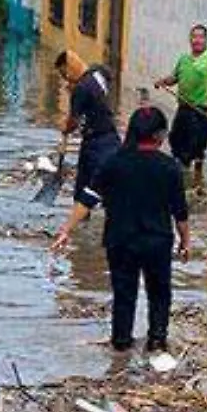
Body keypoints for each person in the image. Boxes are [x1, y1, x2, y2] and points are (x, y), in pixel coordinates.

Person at [52, 106, 191, 353]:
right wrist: (185, 242)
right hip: (157, 242)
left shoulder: (113, 163)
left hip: (120, 241)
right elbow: (180, 212)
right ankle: (157, 341)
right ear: (160, 135)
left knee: (123, 294)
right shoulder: (169, 167)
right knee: (159, 293)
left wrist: (66, 230)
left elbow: (88, 199)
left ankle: (121, 344)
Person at [55, 50, 120, 214]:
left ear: (70, 68)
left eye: (64, 73)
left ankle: (82, 226)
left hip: (96, 143)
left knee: (84, 191)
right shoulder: (97, 73)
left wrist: (65, 127)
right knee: (106, 186)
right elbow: (108, 76)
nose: (64, 78)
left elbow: (73, 123)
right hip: (111, 138)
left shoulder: (81, 89)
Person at [156, 24, 207, 179]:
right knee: (175, 138)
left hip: (201, 109)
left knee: (194, 145)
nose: (197, 40)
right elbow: (175, 78)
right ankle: (183, 172)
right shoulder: (184, 59)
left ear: (206, 40)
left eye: (200, 37)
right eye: (194, 37)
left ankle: (191, 176)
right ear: (190, 39)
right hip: (184, 106)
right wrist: (163, 81)